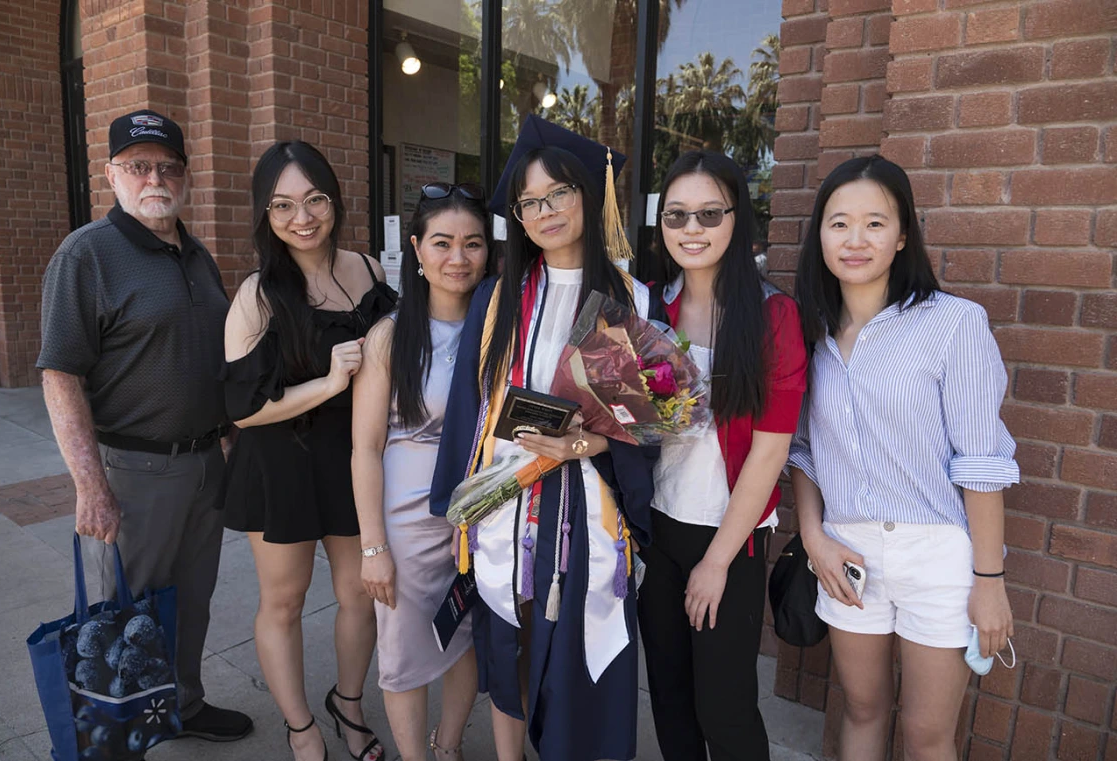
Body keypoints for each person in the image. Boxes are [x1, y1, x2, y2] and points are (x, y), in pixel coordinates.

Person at [430, 115, 657, 761]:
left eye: (558, 191)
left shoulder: (631, 299)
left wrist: (590, 444)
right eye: (530, 201)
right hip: (504, 500)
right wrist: (461, 505)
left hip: (586, 508)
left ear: (587, 194)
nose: (545, 209)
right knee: (510, 641)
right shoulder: (499, 298)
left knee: (574, 651)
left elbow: (642, 428)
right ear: (519, 219)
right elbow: (470, 411)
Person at [789, 155, 1018, 761]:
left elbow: (980, 462)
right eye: (839, 223)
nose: (855, 240)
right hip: (847, 552)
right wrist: (813, 536)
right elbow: (805, 452)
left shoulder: (954, 325)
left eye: (874, 223)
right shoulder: (808, 335)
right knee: (860, 710)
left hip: (937, 556)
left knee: (924, 734)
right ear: (820, 235)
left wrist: (989, 582)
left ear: (903, 234)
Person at [37, 109, 253, 742]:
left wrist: (230, 431)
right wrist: (89, 485)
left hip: (204, 465)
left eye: (168, 166)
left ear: (184, 176)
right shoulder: (86, 255)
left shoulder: (196, 253)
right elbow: (60, 376)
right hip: (131, 472)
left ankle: (182, 705)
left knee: (190, 601)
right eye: (138, 166)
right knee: (124, 615)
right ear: (112, 175)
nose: (154, 177)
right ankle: (115, 733)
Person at [220, 141, 395, 761]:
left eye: (315, 198)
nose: (303, 217)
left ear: (335, 199)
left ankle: (348, 704)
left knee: (359, 593)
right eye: (283, 205)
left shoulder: (370, 271)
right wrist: (326, 383)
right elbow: (242, 408)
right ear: (265, 215)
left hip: (355, 459)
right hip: (281, 462)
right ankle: (299, 726)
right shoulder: (256, 295)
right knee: (285, 599)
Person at [639, 151, 808, 761]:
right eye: (676, 215)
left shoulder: (771, 315)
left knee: (725, 709)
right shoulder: (647, 308)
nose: (692, 229)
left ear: (738, 220)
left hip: (730, 539)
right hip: (658, 531)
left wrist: (715, 563)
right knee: (670, 700)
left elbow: (770, 454)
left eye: (709, 213)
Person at [352, 182, 491, 761]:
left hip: (480, 516)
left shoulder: (499, 331)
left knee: (464, 643)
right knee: (405, 652)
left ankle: (448, 747)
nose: (458, 258)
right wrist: (372, 547)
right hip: (408, 526)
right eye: (442, 243)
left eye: (473, 244)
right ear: (415, 249)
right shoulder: (392, 336)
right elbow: (364, 447)